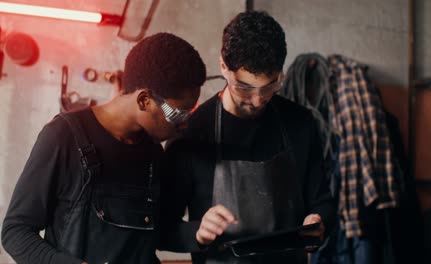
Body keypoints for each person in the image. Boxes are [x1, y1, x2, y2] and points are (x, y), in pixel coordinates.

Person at [1, 32, 206, 264]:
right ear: (144, 101)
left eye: (191, 112)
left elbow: (154, 235)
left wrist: (199, 233)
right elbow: (15, 232)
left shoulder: (152, 153)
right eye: (177, 114)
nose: (185, 123)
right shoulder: (65, 137)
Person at [162, 11, 336, 264]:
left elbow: (323, 201)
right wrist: (196, 232)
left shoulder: (300, 124)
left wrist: (319, 221)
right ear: (224, 66)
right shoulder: (191, 133)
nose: (257, 100)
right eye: (244, 88)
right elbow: (162, 229)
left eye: (269, 87)